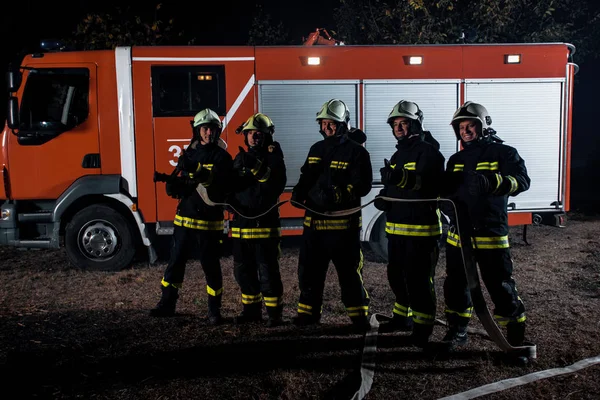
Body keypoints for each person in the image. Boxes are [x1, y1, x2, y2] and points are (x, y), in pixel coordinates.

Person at [441, 101, 531, 349]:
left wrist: (492, 182)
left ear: (483, 126)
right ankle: (457, 330)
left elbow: (522, 181)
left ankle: (514, 334)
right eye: (461, 127)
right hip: (459, 237)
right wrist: (447, 206)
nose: (466, 131)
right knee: (456, 286)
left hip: (490, 234)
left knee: (500, 285)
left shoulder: (504, 153)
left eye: (471, 126)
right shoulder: (456, 159)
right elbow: (447, 193)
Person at [290, 99, 373, 332]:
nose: (327, 128)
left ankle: (359, 318)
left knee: (349, 275)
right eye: (324, 123)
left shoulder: (356, 152)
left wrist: (338, 195)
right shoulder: (316, 149)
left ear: (343, 124)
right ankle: (308, 314)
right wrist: (298, 193)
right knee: (309, 273)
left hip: (343, 228)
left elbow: (363, 185)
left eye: (332, 124)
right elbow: (306, 176)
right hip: (314, 226)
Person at [150, 108, 233, 325]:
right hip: (184, 220)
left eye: (212, 129)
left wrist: (195, 170)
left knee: (211, 266)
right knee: (175, 263)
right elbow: (179, 183)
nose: (209, 133)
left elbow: (218, 186)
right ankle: (167, 304)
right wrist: (172, 185)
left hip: (209, 223)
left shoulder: (223, 157)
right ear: (197, 131)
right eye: (204, 129)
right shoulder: (189, 154)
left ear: (218, 131)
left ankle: (214, 311)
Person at [374, 100, 445, 348]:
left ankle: (422, 329)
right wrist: (384, 197)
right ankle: (401, 318)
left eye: (404, 123)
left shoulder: (430, 153)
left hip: (421, 231)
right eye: (396, 124)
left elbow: (426, 185)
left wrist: (399, 177)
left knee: (419, 281)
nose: (399, 128)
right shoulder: (398, 154)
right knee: (397, 277)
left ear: (415, 124)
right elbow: (395, 186)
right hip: (397, 230)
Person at [228, 113, 287, 327]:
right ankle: (251, 312)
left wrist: (254, 165)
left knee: (268, 272)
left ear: (267, 135)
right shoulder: (240, 157)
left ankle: (274, 315)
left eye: (259, 134)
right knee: (243, 272)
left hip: (265, 228)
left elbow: (274, 186)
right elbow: (232, 188)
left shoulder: (273, 157)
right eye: (251, 133)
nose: (254, 137)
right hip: (242, 227)